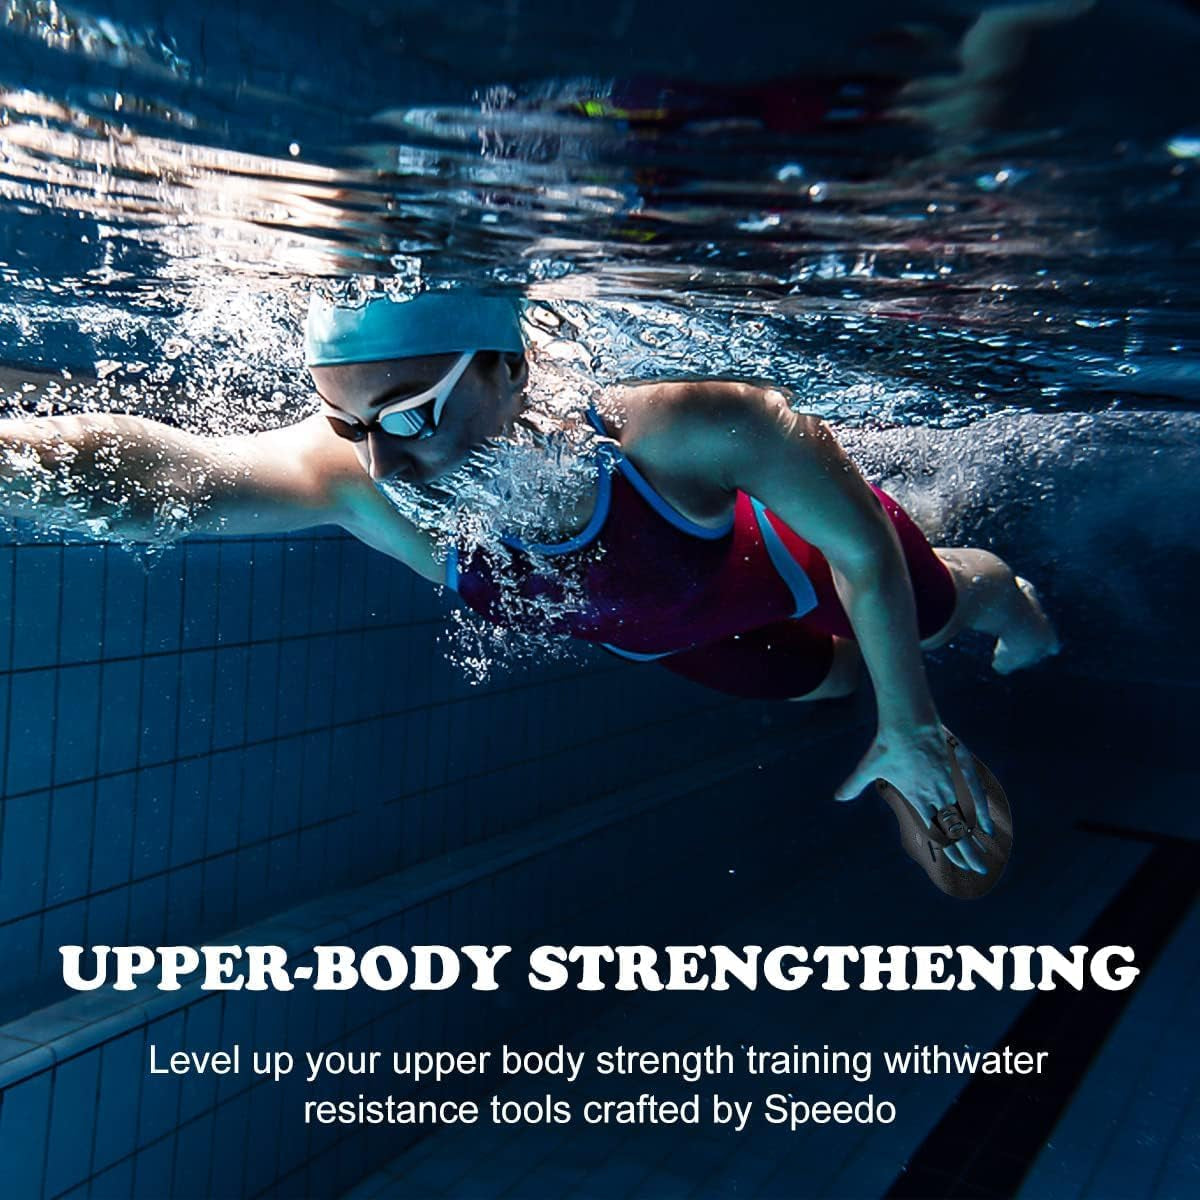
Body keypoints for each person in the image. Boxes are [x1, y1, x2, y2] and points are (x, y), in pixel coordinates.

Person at [0, 288, 1058, 879]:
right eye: (348, 422)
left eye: (410, 414)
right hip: (669, 636)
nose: (383, 463)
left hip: (794, 563)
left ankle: (1000, 587)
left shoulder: (686, 427)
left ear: (509, 367)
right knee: (827, 687)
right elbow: (159, 475)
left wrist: (914, 726)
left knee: (924, 620)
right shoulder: (355, 475)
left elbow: (860, 548)